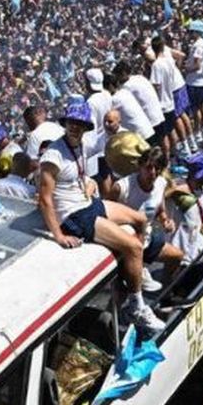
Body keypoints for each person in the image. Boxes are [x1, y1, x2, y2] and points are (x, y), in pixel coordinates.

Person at [36, 100, 165, 336]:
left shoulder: (79, 145)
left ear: (85, 126)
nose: (75, 127)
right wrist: (59, 235)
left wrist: (89, 182)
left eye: (79, 123)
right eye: (71, 123)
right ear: (66, 124)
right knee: (134, 246)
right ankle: (137, 304)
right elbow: (44, 198)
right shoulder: (54, 155)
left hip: (87, 203)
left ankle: (137, 271)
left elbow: (78, 175)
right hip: (74, 215)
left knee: (140, 220)